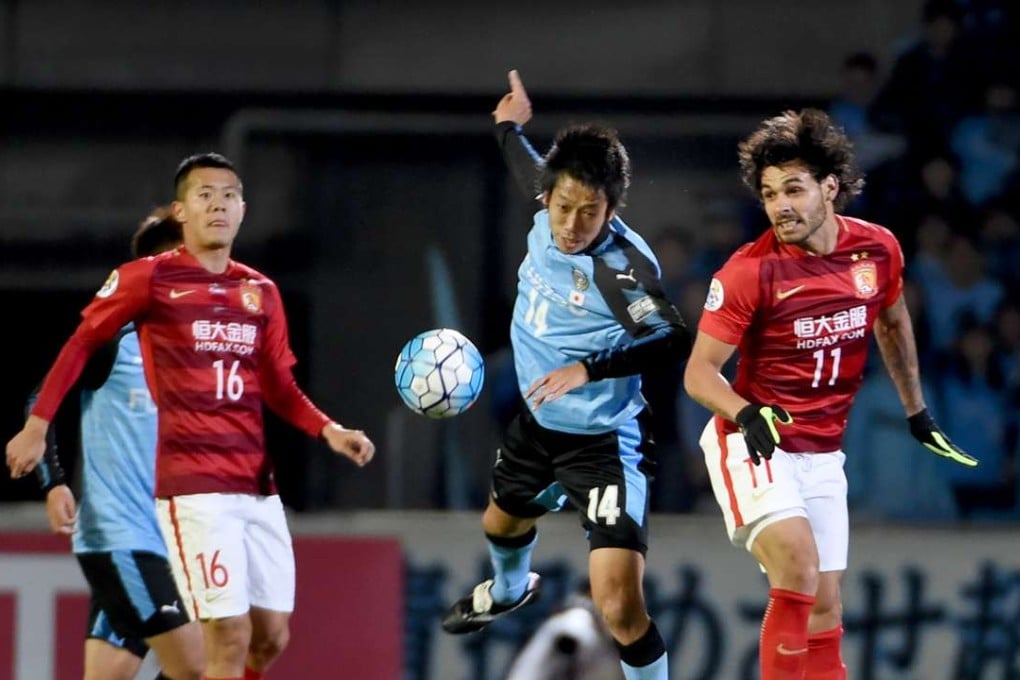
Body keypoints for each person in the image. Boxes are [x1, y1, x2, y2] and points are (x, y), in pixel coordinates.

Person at [7, 152, 376, 680]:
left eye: (228, 196)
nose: (217, 206)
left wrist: (328, 430)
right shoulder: (135, 310)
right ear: (182, 215)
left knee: (266, 638)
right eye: (205, 196)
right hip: (148, 523)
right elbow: (70, 355)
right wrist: (45, 454)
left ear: (243, 209)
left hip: (242, 494)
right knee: (214, 650)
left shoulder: (259, 293)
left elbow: (278, 385)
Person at [682, 108, 978, 680]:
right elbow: (699, 373)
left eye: (794, 189)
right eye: (770, 194)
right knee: (798, 564)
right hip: (754, 443)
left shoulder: (878, 250)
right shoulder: (749, 271)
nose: (781, 206)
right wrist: (747, 414)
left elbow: (893, 321)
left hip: (822, 452)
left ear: (831, 187)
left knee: (824, 606)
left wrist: (916, 410)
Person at [441, 71, 691, 680]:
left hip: (604, 442)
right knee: (500, 523)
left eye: (590, 212)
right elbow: (521, 161)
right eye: (562, 207)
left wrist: (588, 368)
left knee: (618, 607)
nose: (573, 224)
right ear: (546, 197)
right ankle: (508, 590)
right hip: (538, 423)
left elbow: (671, 337)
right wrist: (507, 123)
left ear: (612, 208)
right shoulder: (547, 199)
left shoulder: (621, 268)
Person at [29, 208, 204, 680]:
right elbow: (41, 400)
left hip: (171, 546)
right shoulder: (114, 339)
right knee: (202, 665)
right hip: (124, 540)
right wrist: (53, 482)